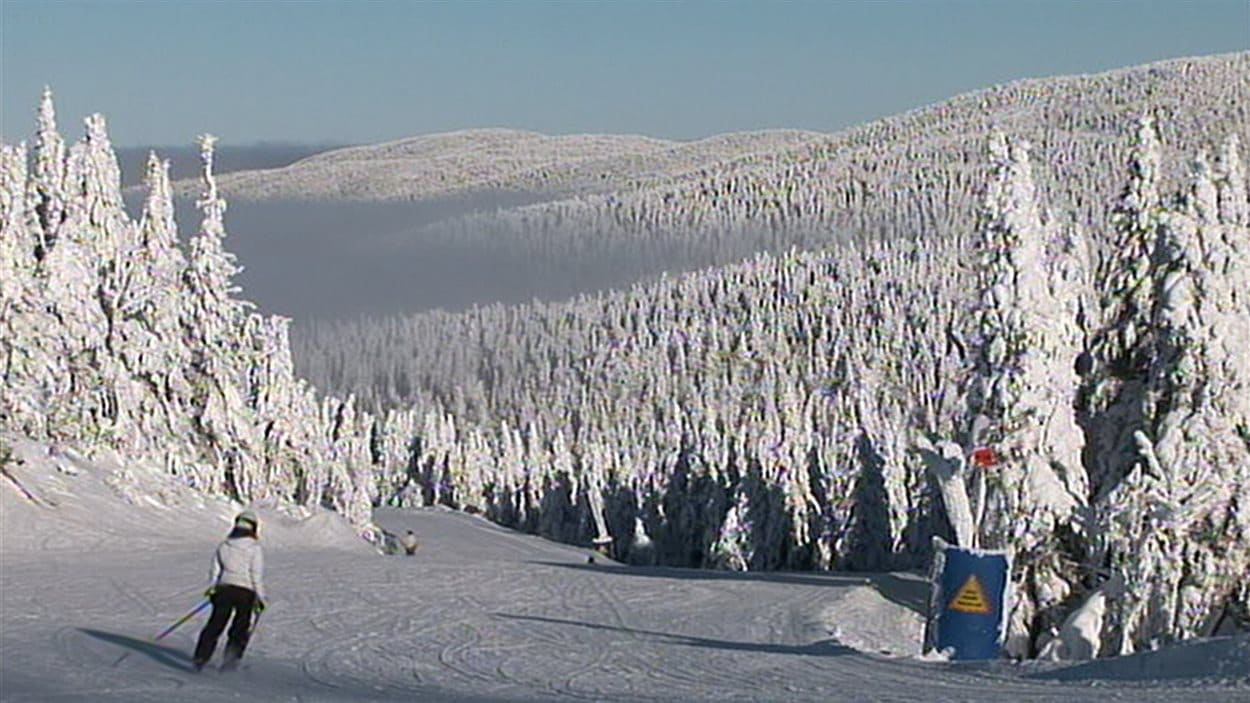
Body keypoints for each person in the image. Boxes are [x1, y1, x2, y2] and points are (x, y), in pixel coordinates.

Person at [192, 510, 266, 671]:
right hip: (245, 593)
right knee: (240, 628)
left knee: (215, 624)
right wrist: (261, 598)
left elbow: (215, 571)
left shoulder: (224, 545)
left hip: (224, 589)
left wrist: (212, 588)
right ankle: (231, 661)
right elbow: (256, 575)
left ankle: (201, 658)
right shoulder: (255, 548)